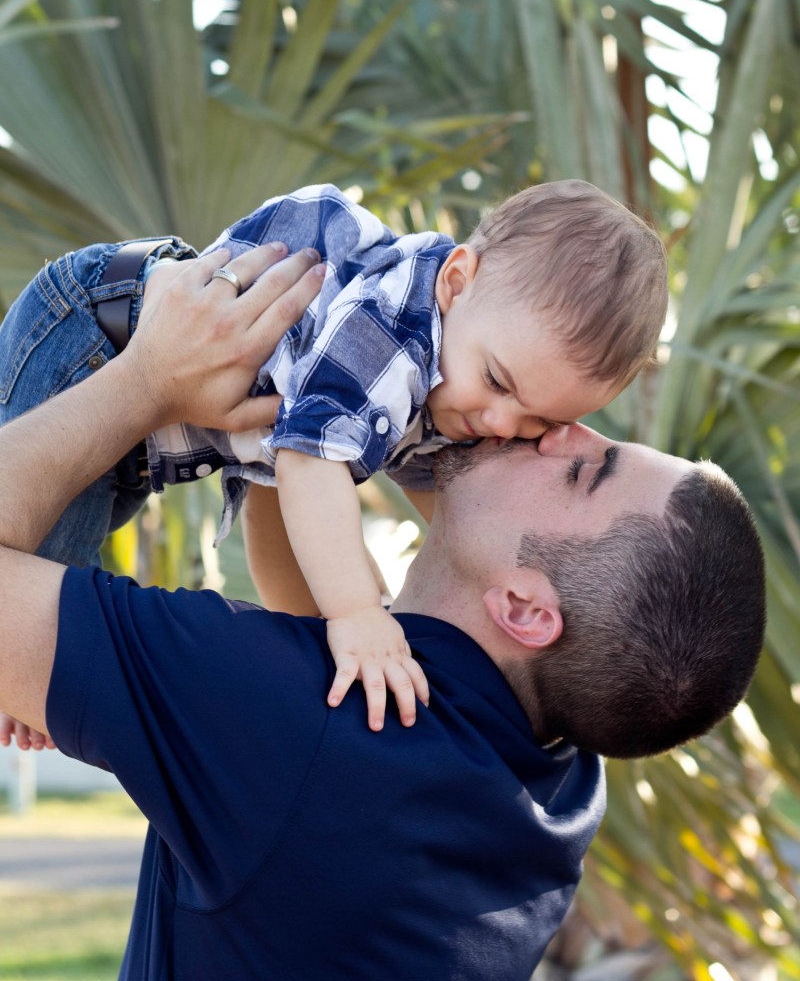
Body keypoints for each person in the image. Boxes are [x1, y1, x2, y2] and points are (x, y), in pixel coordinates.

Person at [0, 245, 765, 980]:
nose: (559, 428)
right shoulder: (552, 789)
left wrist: (147, 383)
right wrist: (306, 414)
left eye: (585, 471)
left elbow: (308, 743)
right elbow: (303, 605)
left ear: (526, 610)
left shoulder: (308, 736)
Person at [0, 179, 667, 734]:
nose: (499, 423)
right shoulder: (392, 337)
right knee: (39, 584)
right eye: (497, 382)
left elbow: (455, 511)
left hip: (138, 443)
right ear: (458, 281)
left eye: (538, 420)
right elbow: (310, 463)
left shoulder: (456, 365)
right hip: (96, 332)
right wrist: (357, 615)